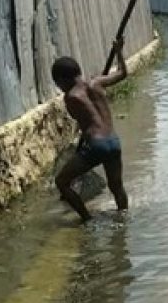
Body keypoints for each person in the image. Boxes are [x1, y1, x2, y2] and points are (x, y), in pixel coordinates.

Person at [52, 40, 129, 222]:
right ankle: (124, 218)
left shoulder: (71, 97)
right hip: (113, 141)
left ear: (63, 80)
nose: (59, 87)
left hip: (97, 145)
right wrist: (118, 51)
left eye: (58, 83)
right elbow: (122, 73)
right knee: (116, 186)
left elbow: (83, 124)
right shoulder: (97, 82)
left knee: (61, 182)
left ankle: (87, 220)